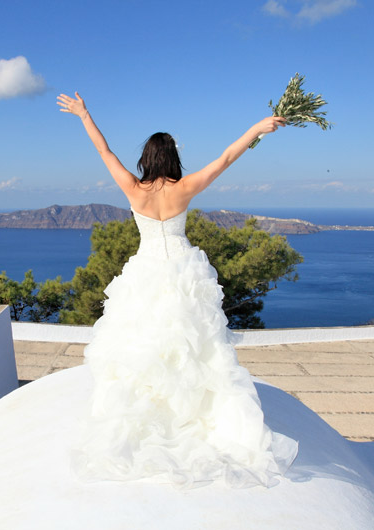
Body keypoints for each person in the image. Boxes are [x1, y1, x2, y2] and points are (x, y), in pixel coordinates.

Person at [57, 92, 298, 489]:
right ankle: (195, 418)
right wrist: (258, 128)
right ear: (173, 159)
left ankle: (150, 420)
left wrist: (84, 114)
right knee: (197, 352)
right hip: (184, 275)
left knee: (143, 349)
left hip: (145, 274)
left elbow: (104, 150)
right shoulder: (184, 188)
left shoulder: (134, 189)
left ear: (146, 160)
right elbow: (225, 159)